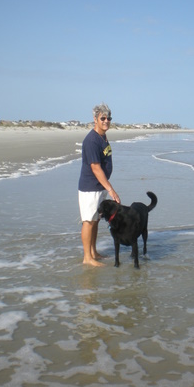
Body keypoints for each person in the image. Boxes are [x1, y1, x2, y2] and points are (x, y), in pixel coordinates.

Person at [78, 103, 120, 266]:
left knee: (95, 220)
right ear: (95, 119)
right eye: (103, 118)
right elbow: (95, 168)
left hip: (99, 186)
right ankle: (87, 258)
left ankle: (93, 252)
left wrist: (105, 186)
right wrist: (111, 190)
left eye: (109, 118)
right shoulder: (91, 140)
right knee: (88, 221)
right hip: (90, 187)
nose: (106, 121)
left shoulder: (103, 137)